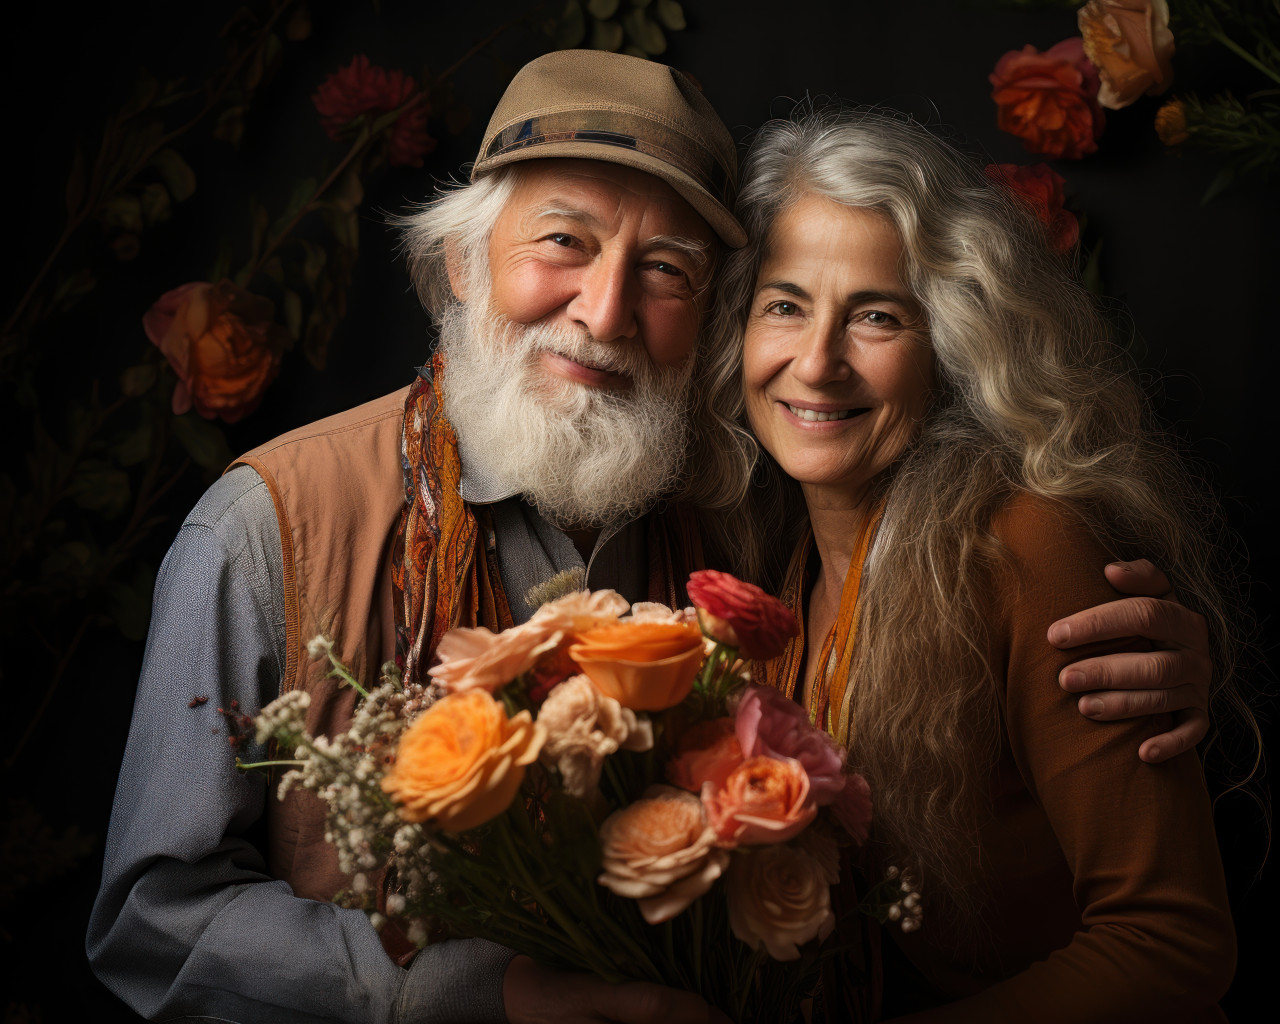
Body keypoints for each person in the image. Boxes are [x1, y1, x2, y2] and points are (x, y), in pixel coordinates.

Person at [88, 51, 1220, 1024]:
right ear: (458, 263)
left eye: (665, 271)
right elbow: (149, 923)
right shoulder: (262, 527)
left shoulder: (729, 514)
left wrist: (1160, 673)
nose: (604, 307)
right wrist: (463, 993)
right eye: (564, 242)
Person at [702, 105, 1248, 1021]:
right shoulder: (770, 561)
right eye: (786, 304)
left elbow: (1174, 942)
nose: (818, 360)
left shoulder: (1028, 546)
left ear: (952, 345)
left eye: (876, 315)